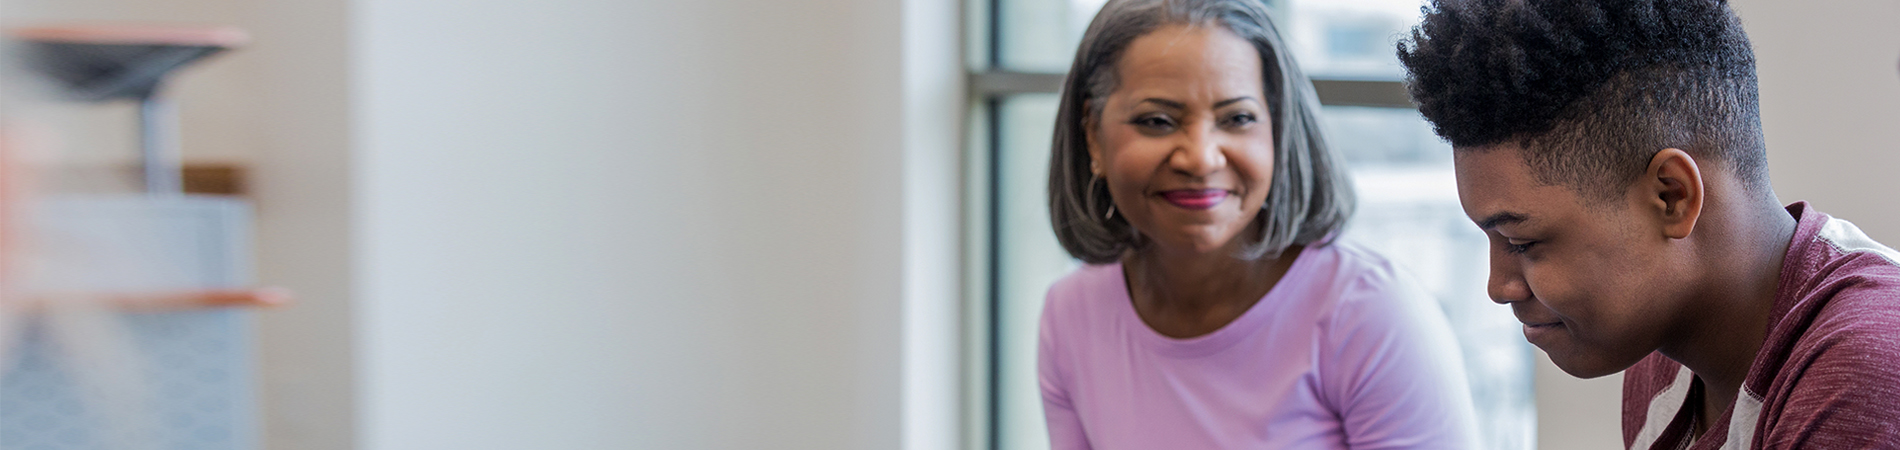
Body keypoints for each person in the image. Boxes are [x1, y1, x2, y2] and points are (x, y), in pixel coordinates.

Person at [1398, 0, 1900, 448]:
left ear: (1671, 196)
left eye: (1523, 242)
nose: (1498, 287)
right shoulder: (1663, 352)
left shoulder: (1866, 370)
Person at [1037, 0, 1479, 448]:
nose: (1201, 158)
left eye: (1237, 118)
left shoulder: (1370, 313)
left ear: (1277, 129)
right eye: (1157, 121)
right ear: (1093, 134)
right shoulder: (1070, 313)